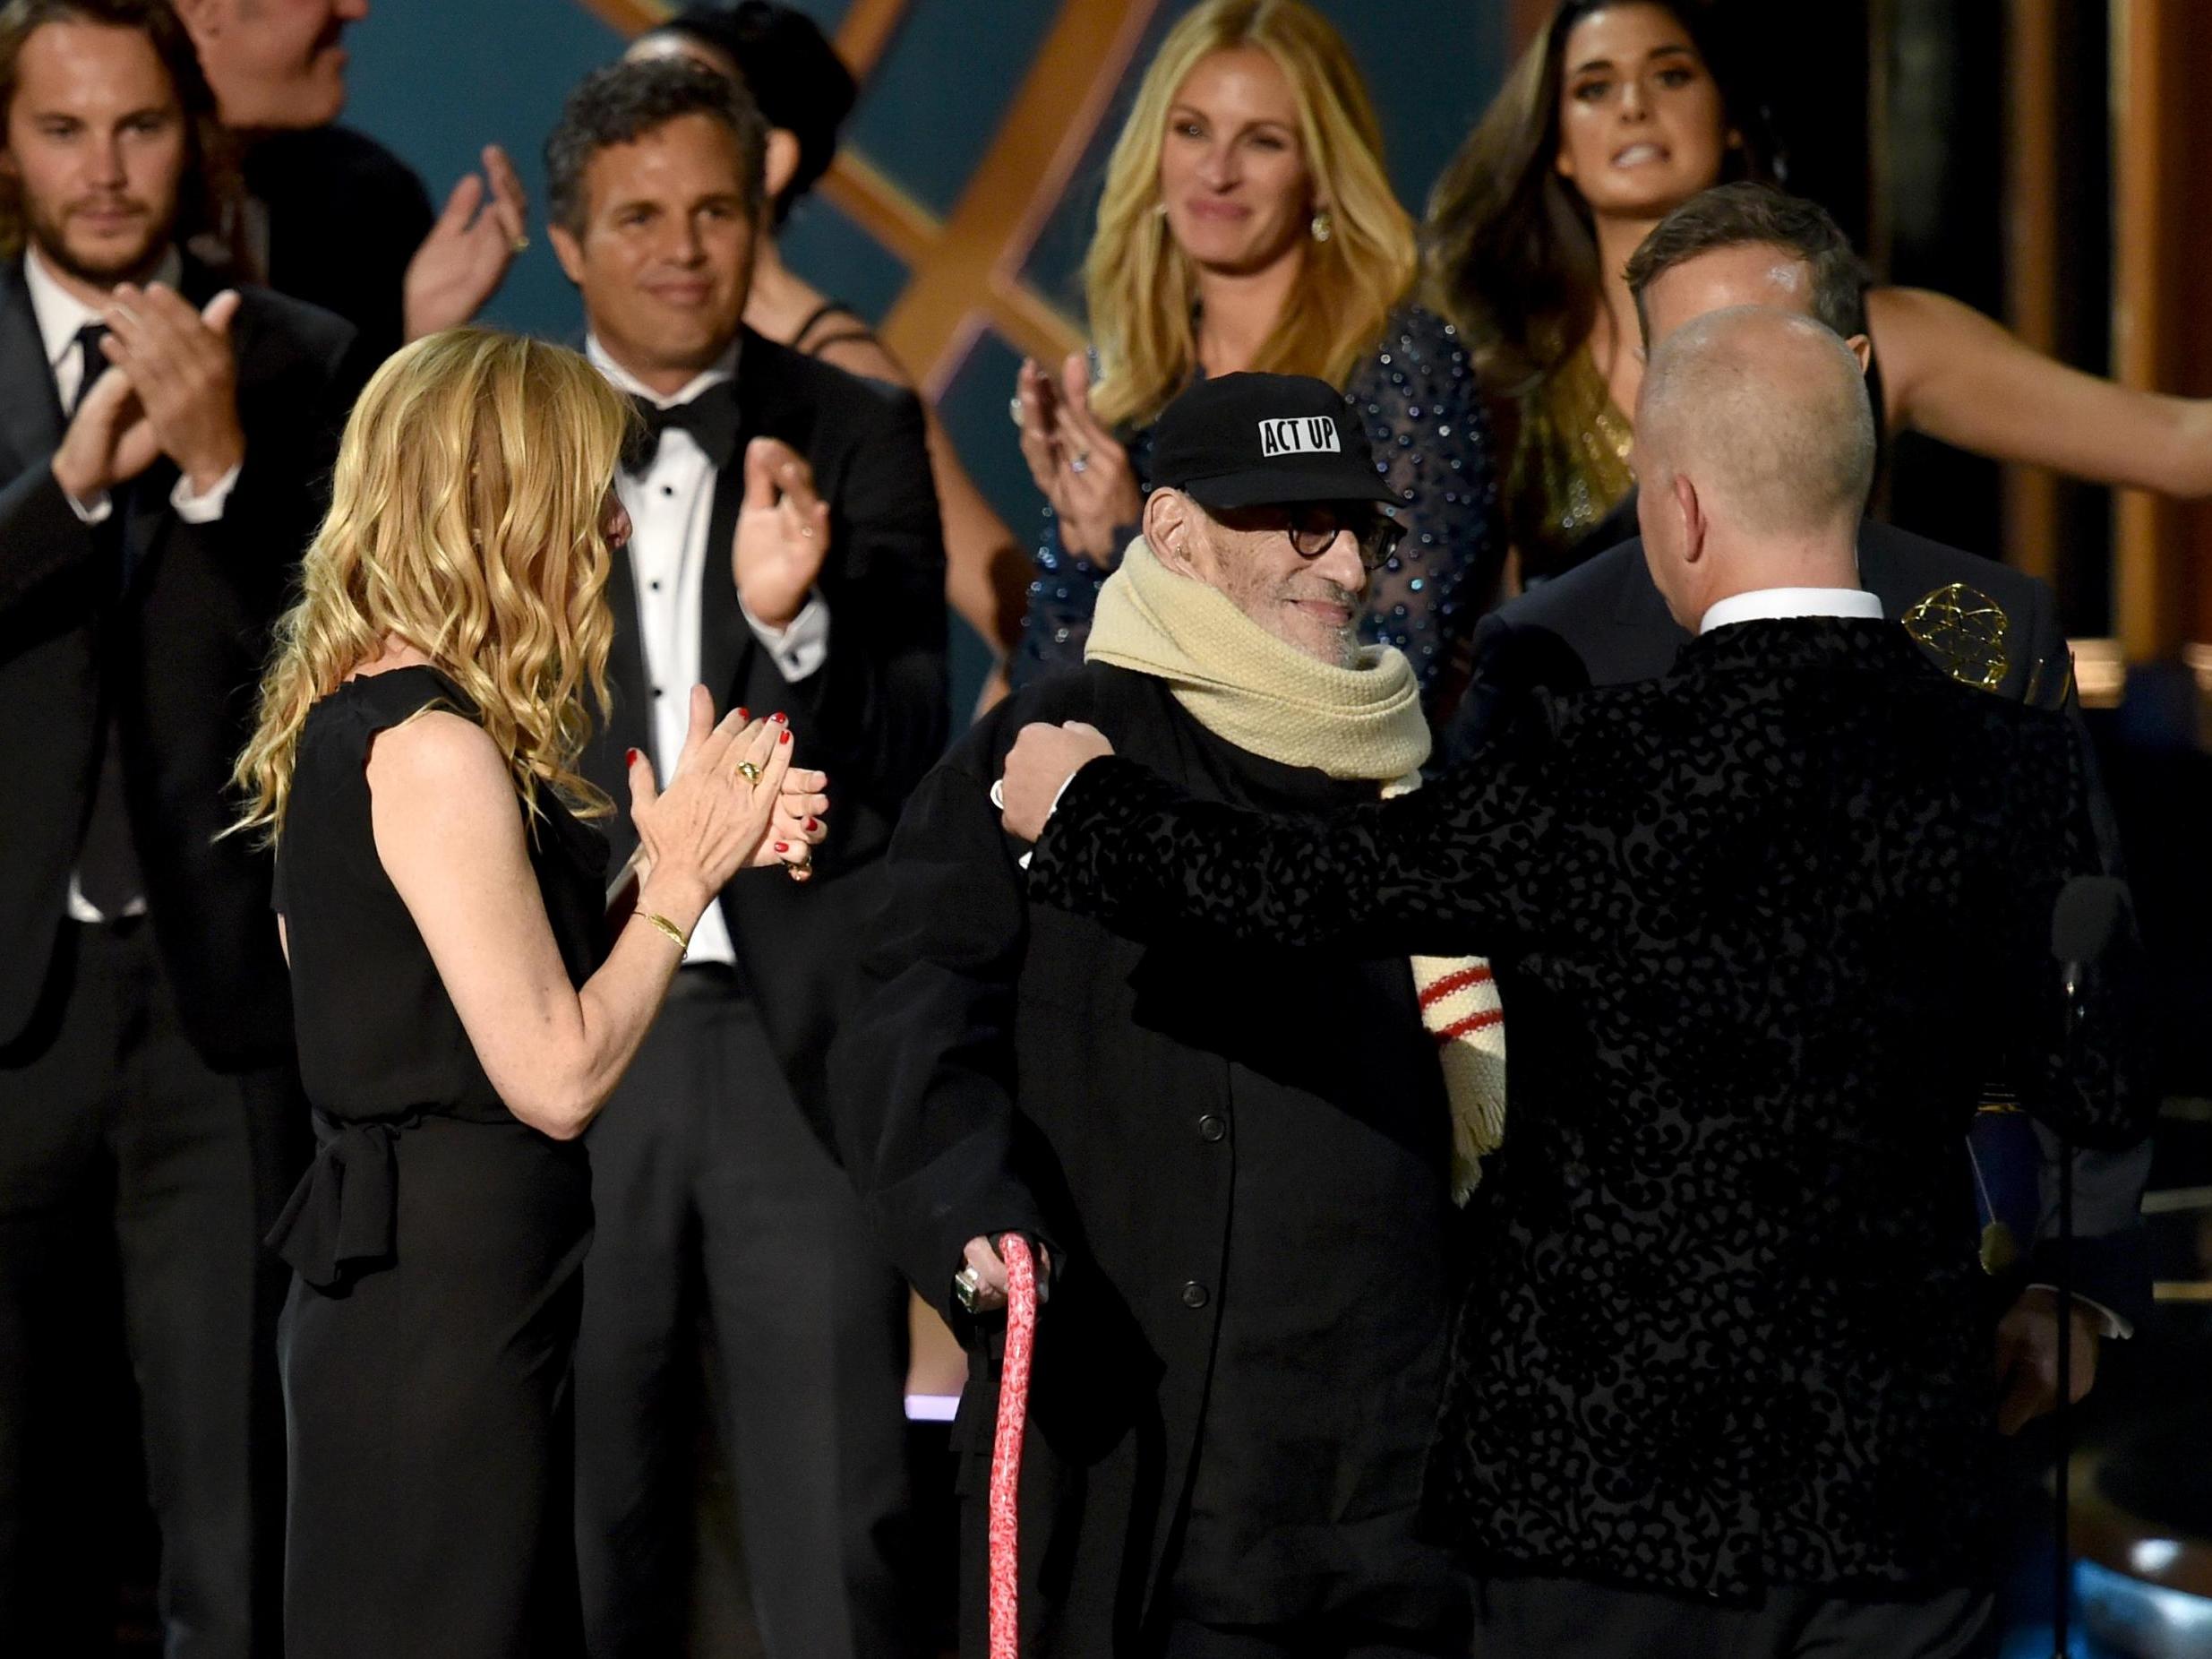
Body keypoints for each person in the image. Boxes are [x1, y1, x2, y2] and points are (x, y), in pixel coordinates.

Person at [1000, 309, 2155, 1658]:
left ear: (1677, 509)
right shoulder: (2001, 767)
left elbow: (1309, 889)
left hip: (1602, 1508)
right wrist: (2066, 1282)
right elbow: (2096, 1066)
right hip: (1893, 1490)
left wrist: (1087, 810)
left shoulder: (1593, 769)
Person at [835, 371, 1489, 1658]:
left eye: (1362, 529)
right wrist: (978, 1224)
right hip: (1154, 1464)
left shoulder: (1418, 781)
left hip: (1402, 1492)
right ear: (1177, 531)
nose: (1347, 564)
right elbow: (910, 1028)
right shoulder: (1042, 750)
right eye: (1301, 522)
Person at [229, 327, 826, 1658]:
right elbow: (554, 1076)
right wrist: (679, 885)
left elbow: (431, 997)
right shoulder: (432, 747)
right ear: (501, 507)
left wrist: (687, 859)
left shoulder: (367, 708)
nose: (616, 526)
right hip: (436, 1329)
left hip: (431, 1305)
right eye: (588, 492)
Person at [543, 57, 946, 1658]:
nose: (682, 247)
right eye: (638, 215)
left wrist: (791, 622)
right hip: (572, 1022)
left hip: (801, 1038)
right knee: (588, 1504)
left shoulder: (856, 426)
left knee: (836, 1512)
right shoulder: (508, 439)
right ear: (568, 241)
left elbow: (913, 731)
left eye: (717, 210)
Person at [0, 0, 356, 1648]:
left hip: (218, 1023)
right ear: (7, 145)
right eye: (63, 128)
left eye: (137, 126)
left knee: (235, 1506)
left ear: (191, 133)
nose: (103, 169)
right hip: (15, 1012)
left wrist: (218, 476)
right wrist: (67, 490)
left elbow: (346, 671)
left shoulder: (303, 360)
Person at [1428, 0, 2212, 584]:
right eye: (1594, 88)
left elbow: (2178, 447)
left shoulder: (1883, 335)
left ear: (1730, 114)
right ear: (1556, 144)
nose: (1634, 105)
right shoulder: (1505, 368)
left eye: (1671, 74)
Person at [1008, 0, 1501, 711]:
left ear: (1322, 173)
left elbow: (1379, 676)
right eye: (1192, 131)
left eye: (1263, 142)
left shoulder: (1399, 365)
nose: (1216, 172)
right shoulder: (1129, 388)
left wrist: (1133, 546)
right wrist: (1088, 558)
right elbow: (1054, 690)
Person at [627, 2, 1033, 691]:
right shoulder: (637, 346)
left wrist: (977, 788)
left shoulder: (846, 374)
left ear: (770, 159)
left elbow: (1026, 617)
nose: (625, 139)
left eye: (665, 112)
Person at [173, 0, 527, 365]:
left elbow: (365, 413)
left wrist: (422, 345)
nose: (356, 9)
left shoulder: (371, 199)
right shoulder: (120, 218)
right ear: (201, 6)